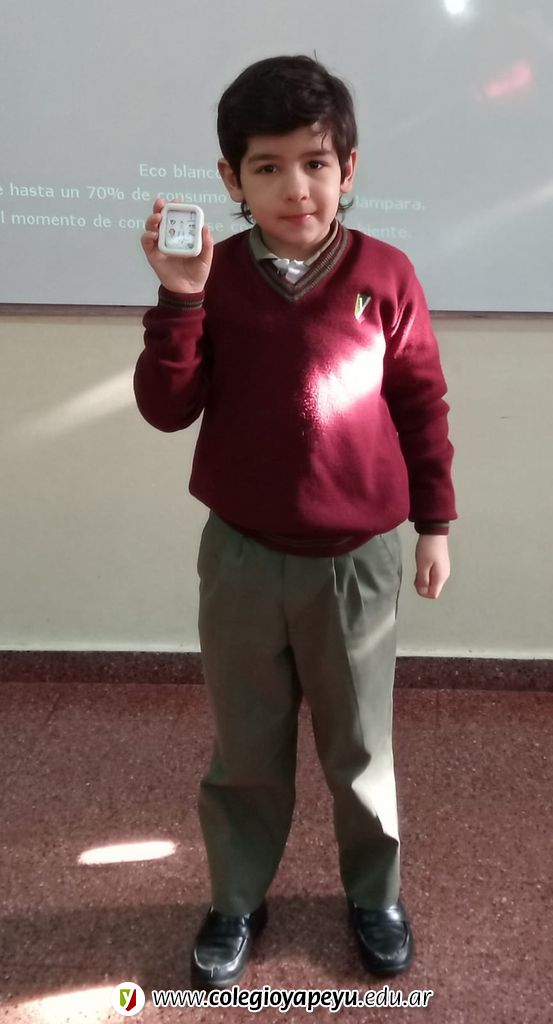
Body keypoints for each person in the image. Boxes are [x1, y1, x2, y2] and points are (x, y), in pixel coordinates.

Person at [134, 54, 457, 990]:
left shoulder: (385, 274)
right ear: (231, 179)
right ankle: (236, 897)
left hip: (356, 562)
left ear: (347, 169)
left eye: (315, 164)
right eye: (267, 167)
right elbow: (165, 408)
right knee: (245, 747)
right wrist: (180, 298)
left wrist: (433, 523)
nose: (295, 188)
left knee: (360, 748)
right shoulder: (216, 276)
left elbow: (421, 404)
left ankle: (374, 895)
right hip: (241, 558)